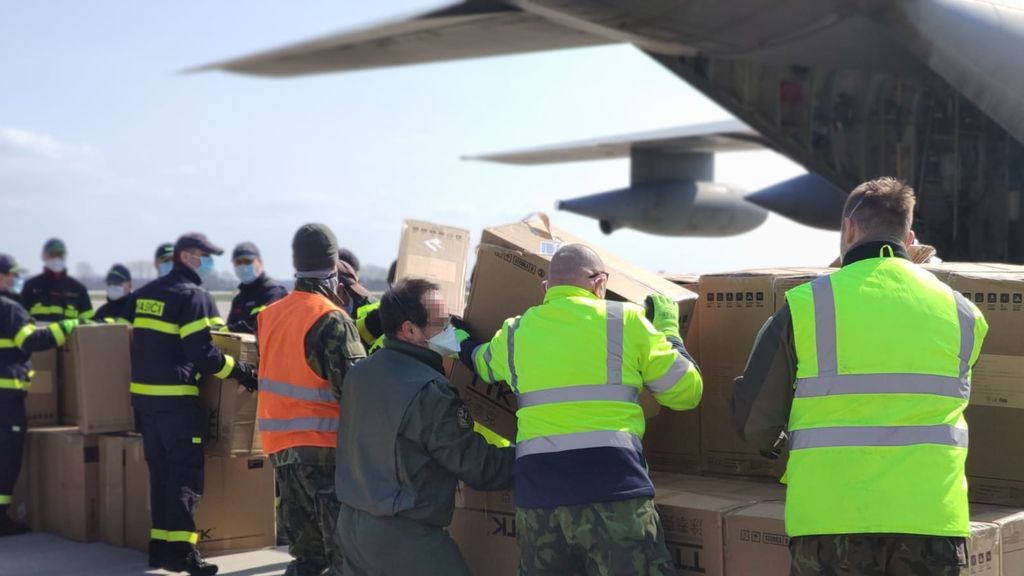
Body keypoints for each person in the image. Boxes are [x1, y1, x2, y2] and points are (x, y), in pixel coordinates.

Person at [731, 177, 987, 576]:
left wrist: (787, 449)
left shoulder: (804, 306)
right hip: (932, 521)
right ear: (910, 234)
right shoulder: (963, 313)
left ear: (848, 229)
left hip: (830, 522)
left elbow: (754, 423)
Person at [456, 244, 702, 575]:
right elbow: (685, 393)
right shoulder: (625, 320)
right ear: (600, 282)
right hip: (613, 492)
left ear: (546, 288)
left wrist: (460, 340)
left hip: (539, 500)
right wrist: (669, 332)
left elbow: (480, 363)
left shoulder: (515, 332)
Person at [335, 278, 514, 576]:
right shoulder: (430, 391)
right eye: (442, 323)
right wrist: (534, 454)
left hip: (352, 525)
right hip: (403, 536)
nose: (451, 331)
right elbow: (479, 467)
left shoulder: (361, 372)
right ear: (409, 330)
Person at [128, 233, 259, 576]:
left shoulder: (148, 293)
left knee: (161, 474)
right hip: (176, 401)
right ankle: (184, 553)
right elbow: (202, 353)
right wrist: (241, 370)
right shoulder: (194, 296)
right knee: (185, 476)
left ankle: (160, 550)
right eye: (205, 255)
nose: (210, 262)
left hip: (145, 401)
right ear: (187, 256)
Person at [256, 224, 366, 576]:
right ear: (334, 266)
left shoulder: (269, 316)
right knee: (344, 556)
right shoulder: (331, 318)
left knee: (307, 557)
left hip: (280, 450)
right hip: (324, 453)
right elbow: (356, 389)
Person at [0, 253, 78, 536]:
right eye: (11, 274)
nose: (15, 278)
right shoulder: (8, 308)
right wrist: (67, 326)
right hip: (6, 400)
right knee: (7, 456)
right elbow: (31, 340)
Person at [21, 238, 93, 321]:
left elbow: (89, 323)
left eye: (59, 255)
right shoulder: (31, 287)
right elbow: (21, 320)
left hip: (70, 334)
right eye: (52, 255)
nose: (56, 259)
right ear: (44, 257)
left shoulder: (78, 289)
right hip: (40, 333)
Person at [226, 242, 287, 334]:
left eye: (248, 261)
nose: (243, 266)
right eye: (238, 262)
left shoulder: (273, 291)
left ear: (260, 262)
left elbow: (261, 325)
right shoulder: (238, 299)